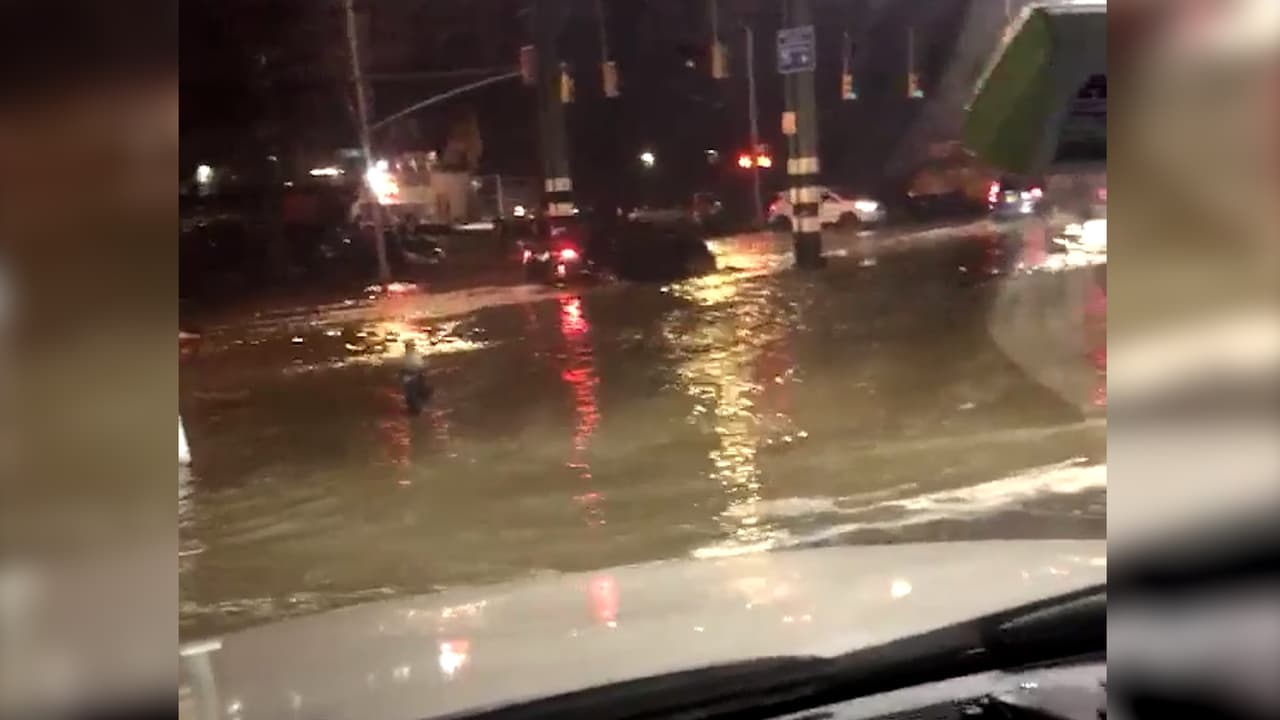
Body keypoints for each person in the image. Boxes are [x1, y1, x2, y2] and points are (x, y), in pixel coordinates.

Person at [400, 339, 431, 415]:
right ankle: (415, 408)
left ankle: (415, 409)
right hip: (414, 376)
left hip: (412, 377)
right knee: (413, 394)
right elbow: (421, 365)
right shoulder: (413, 356)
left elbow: (415, 366)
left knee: (412, 395)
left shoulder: (410, 356)